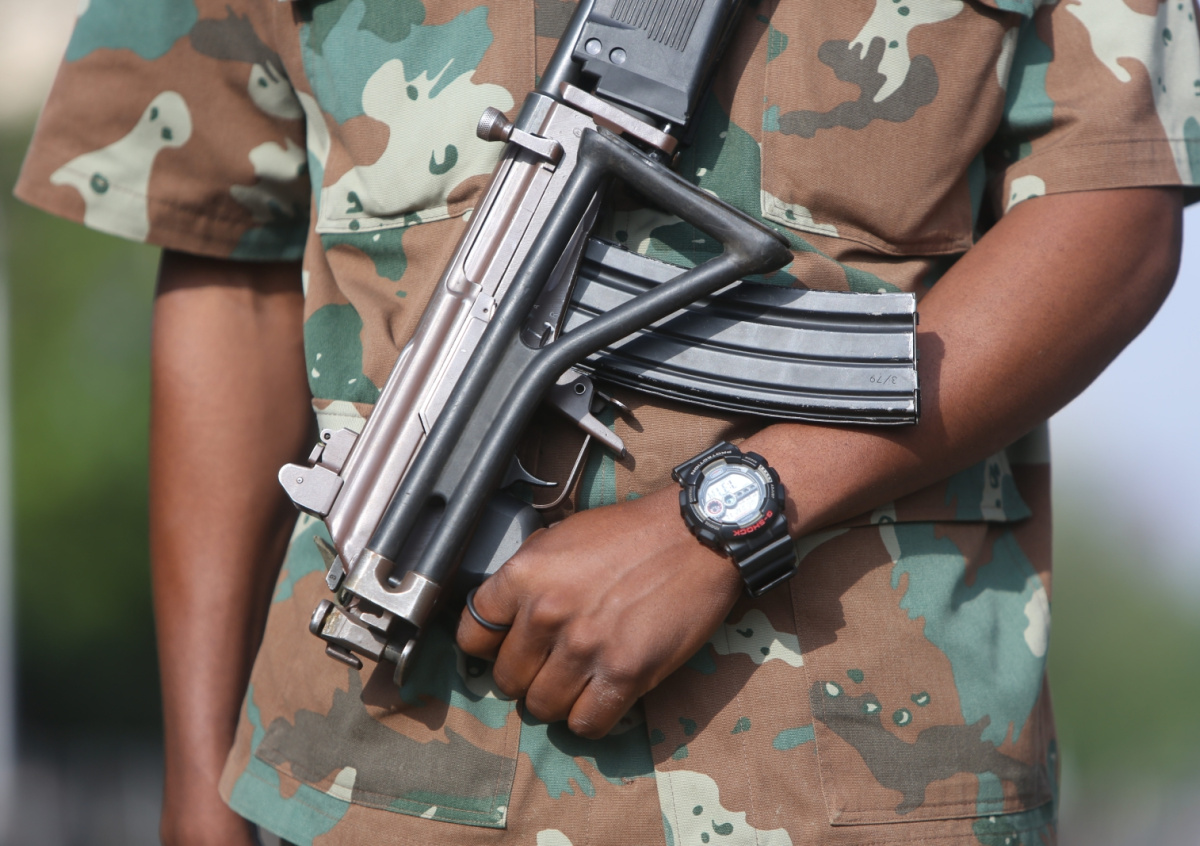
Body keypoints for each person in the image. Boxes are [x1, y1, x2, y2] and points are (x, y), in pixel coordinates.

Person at [15, 0, 1198, 844]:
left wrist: (718, 525)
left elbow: (1114, 206)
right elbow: (232, 255)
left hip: (859, 779)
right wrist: (197, 790)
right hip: (371, 775)